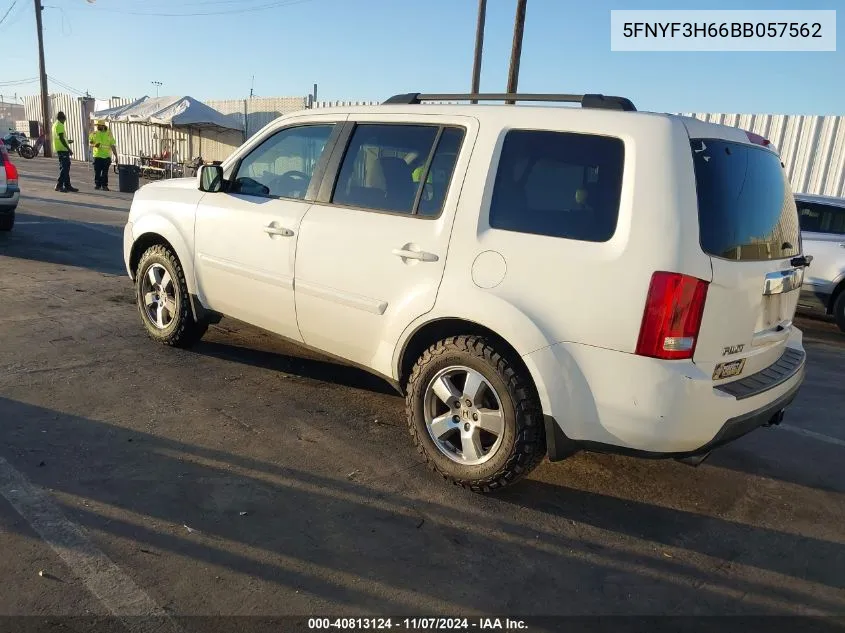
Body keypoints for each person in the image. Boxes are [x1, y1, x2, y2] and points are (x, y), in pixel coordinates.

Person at [89, 120, 118, 191]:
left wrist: (116, 156)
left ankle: (104, 185)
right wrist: (94, 145)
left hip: (107, 156)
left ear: (103, 126)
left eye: (99, 125)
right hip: (97, 156)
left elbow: (112, 145)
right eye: (97, 125)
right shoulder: (94, 134)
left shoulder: (109, 134)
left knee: (105, 172)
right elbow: (90, 143)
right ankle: (97, 185)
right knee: (97, 172)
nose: (98, 127)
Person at [52, 111, 78, 193]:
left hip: (60, 148)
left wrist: (68, 141)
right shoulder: (60, 125)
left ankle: (67, 185)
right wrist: (68, 148)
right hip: (63, 149)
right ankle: (59, 185)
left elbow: (61, 138)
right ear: (63, 118)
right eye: (65, 119)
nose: (65, 121)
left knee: (66, 168)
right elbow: (61, 138)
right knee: (64, 168)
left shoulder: (55, 124)